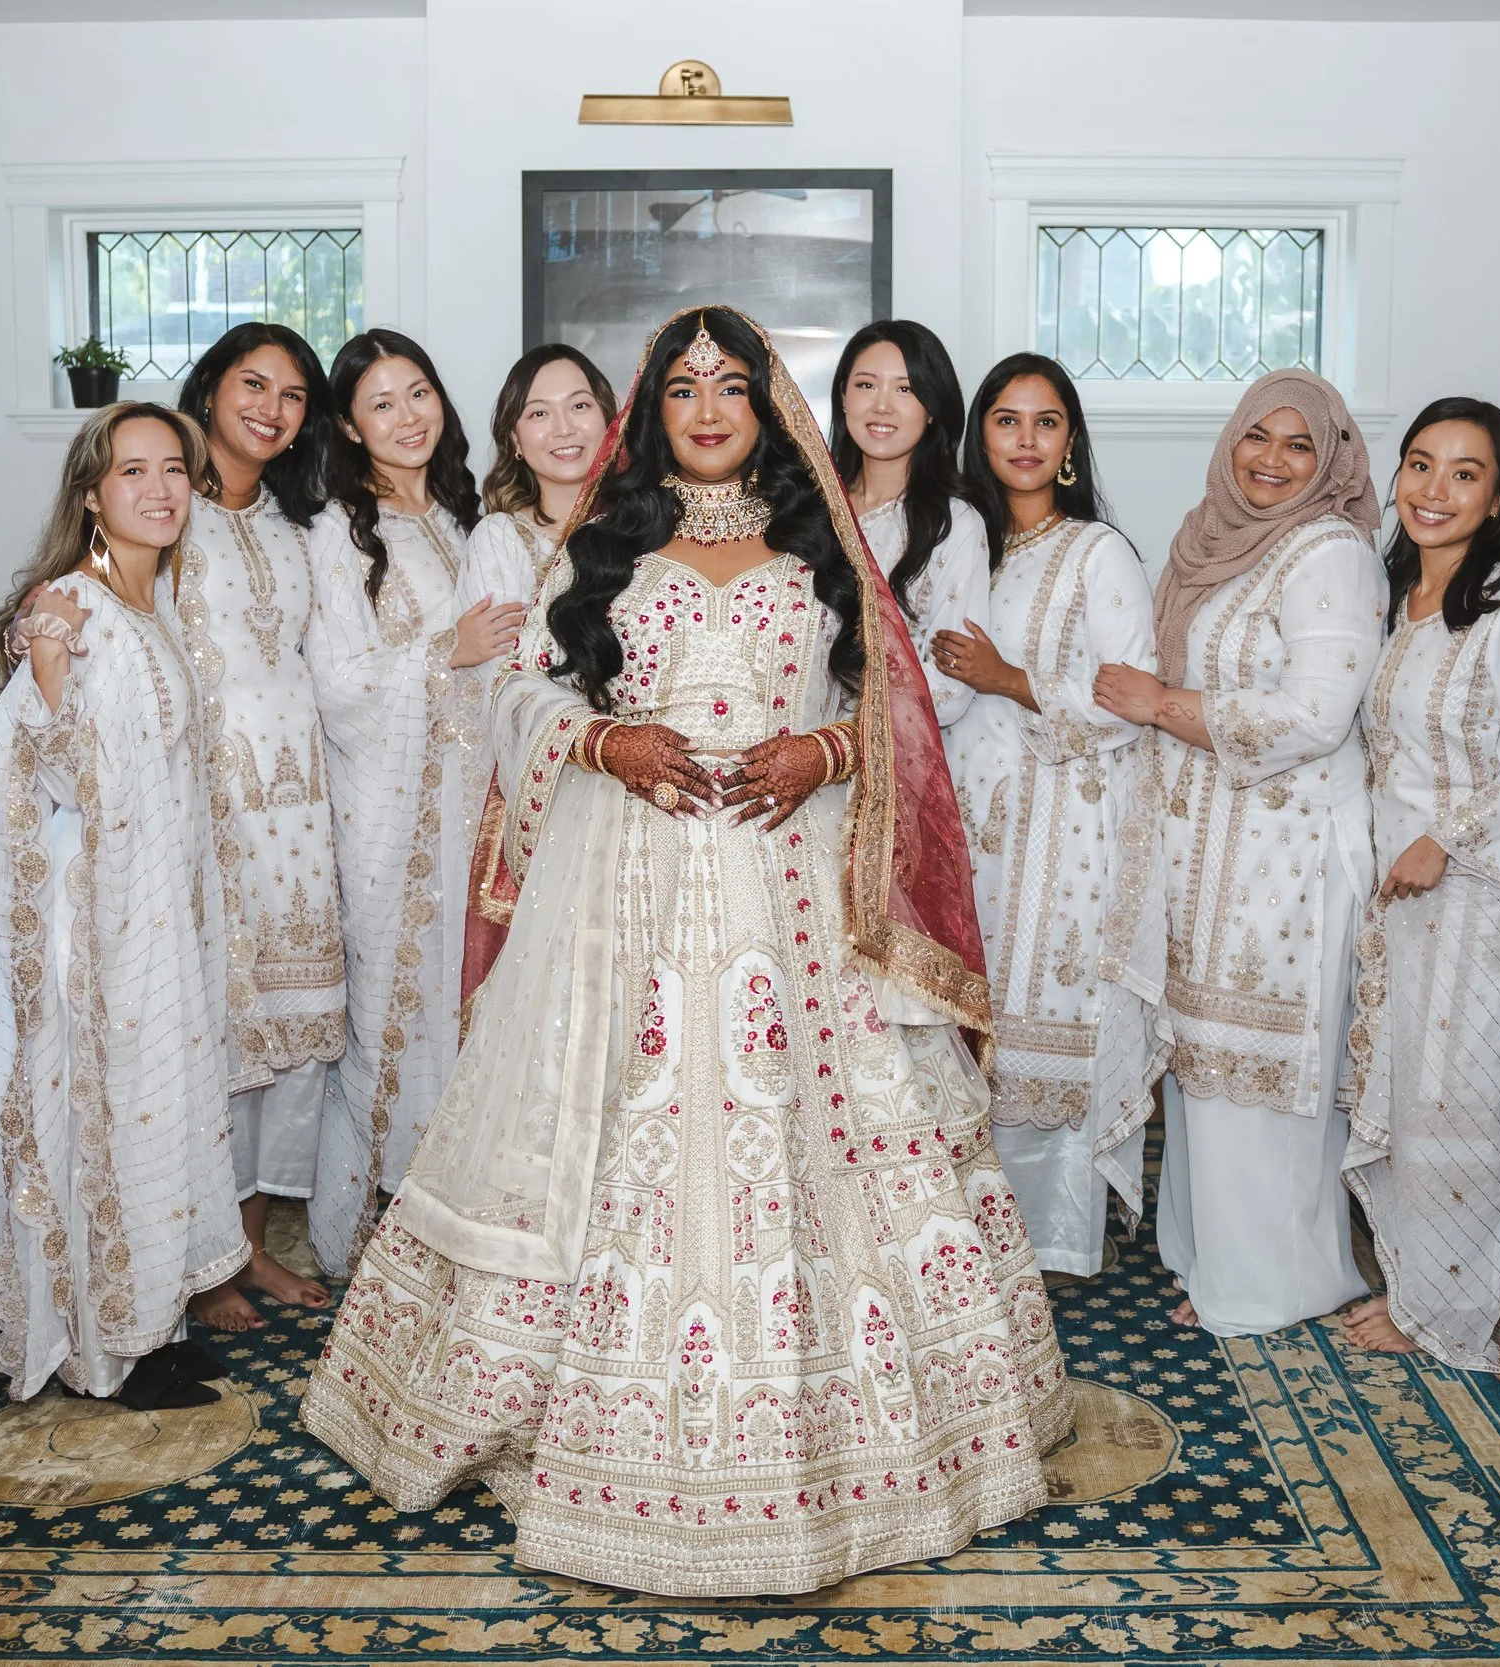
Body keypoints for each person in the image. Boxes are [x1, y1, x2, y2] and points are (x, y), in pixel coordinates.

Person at [302, 306, 1069, 1598]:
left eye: (732, 386)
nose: (708, 408)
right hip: (625, 893)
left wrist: (819, 751)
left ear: (766, 409)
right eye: (682, 389)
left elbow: (892, 703)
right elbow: (523, 689)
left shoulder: (821, 541)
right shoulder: (604, 542)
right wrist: (606, 743)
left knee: (832, 1147)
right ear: (650, 412)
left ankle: (858, 1440)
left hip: (798, 892)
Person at [0, 404, 245, 1409]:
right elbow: (9, 771)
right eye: (134, 471)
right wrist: (42, 677)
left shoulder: (145, 604)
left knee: (151, 1115)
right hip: (97, 916)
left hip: (154, 911)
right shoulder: (70, 606)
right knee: (99, 1113)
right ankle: (97, 1347)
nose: (162, 488)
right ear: (92, 493)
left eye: (175, 468)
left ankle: (147, 1319)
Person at [1092, 369, 1383, 1336]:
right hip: (1208, 840)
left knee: (1259, 1062)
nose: (1271, 459)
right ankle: (1216, 1258)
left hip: (1286, 848)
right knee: (1204, 1058)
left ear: (1331, 461)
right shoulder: (1208, 539)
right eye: (1257, 436)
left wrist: (1160, 704)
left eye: (1300, 445)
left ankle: (1278, 1279)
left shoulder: (1329, 552)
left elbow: (1317, 713)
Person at [1341, 398, 1500, 1371]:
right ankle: (1414, 1288)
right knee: (1404, 1094)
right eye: (1421, 465)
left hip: (1482, 895)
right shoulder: (1392, 599)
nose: (1435, 490)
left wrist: (1447, 838)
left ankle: (1453, 1319)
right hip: (1396, 896)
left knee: (1460, 1110)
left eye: (1464, 473)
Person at [932, 353, 1161, 1278]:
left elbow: (1132, 698)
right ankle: (961, 1235)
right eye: (1006, 420)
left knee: (1044, 1019)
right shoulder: (960, 542)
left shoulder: (1097, 550)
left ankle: (1051, 1239)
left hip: (1064, 829)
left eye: (1046, 422)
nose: (1025, 440)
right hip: (971, 822)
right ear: (980, 433)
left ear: (1070, 441)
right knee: (967, 1022)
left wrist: (1007, 678)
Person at [168, 324, 355, 1319]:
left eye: (291, 395)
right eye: (253, 383)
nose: (270, 408)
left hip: (295, 813)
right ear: (210, 388)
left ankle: (250, 1246)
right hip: (203, 809)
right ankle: (201, 1261)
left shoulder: (297, 530)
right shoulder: (163, 509)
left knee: (288, 1029)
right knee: (212, 1031)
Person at [305, 329, 502, 1270]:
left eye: (418, 392)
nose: (408, 416)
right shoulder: (337, 533)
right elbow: (337, 684)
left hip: (480, 800)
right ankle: (361, 1239)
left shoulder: (469, 515)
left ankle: (455, 1224)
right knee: (391, 1008)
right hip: (388, 812)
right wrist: (446, 652)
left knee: (473, 1006)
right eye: (381, 403)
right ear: (348, 423)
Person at [827, 319, 992, 727]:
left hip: (887, 766)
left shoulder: (954, 525)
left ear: (933, 409)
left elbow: (949, 691)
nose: (882, 405)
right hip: (782, 753)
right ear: (843, 397)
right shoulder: (810, 508)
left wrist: (836, 743)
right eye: (866, 385)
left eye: (906, 389)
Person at [461, 342, 618, 608]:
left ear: (609, 420)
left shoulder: (649, 523)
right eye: (539, 413)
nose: (564, 429)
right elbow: (503, 649)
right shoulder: (500, 539)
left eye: (579, 406)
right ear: (515, 441)